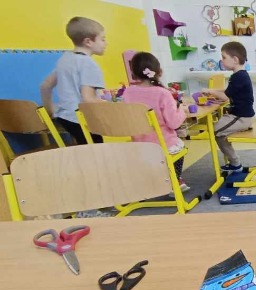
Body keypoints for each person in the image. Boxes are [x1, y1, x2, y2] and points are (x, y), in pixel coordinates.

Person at [121, 52, 190, 192]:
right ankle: (175, 180)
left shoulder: (128, 92)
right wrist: (182, 110)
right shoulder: (162, 93)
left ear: (133, 73)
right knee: (178, 145)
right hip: (163, 146)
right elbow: (174, 123)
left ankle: (154, 180)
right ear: (159, 72)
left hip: (139, 145)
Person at [40, 16, 107, 144]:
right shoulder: (89, 64)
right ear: (88, 42)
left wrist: (50, 111)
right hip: (82, 119)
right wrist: (111, 106)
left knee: (84, 149)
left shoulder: (65, 58)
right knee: (96, 152)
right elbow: (88, 99)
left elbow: (45, 86)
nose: (106, 43)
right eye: (103, 39)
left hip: (65, 117)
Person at [204, 40, 255, 171]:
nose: (221, 60)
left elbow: (226, 96)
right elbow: (228, 91)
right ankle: (234, 161)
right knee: (219, 127)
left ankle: (235, 163)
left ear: (235, 59)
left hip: (242, 118)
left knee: (216, 131)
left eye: (224, 57)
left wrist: (211, 91)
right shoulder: (240, 75)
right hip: (241, 116)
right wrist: (213, 91)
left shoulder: (238, 77)